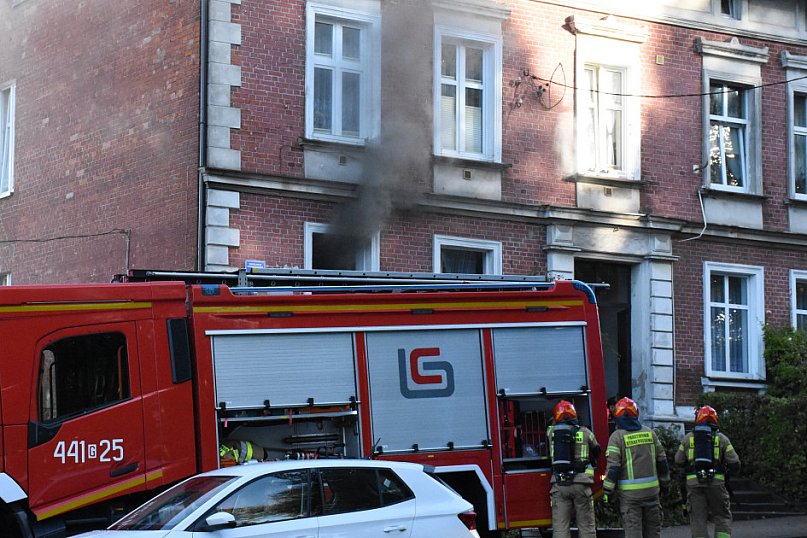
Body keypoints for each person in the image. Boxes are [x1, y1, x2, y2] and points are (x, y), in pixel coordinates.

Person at [603, 397, 670, 538]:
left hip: (630, 497)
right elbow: (662, 462)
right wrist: (665, 486)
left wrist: (607, 492)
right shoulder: (650, 433)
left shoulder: (617, 437)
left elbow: (613, 468)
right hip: (652, 494)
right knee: (653, 533)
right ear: (636, 414)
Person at [674, 405, 741, 538]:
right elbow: (734, 462)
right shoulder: (722, 438)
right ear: (715, 420)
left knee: (698, 519)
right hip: (716, 483)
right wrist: (731, 474)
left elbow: (678, 460)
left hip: (694, 483)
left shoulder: (688, 438)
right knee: (722, 516)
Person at [546, 400, 601, 538]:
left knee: (560, 528)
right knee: (586, 526)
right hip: (581, 485)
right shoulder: (586, 432)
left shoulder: (551, 432)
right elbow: (597, 450)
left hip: (559, 484)